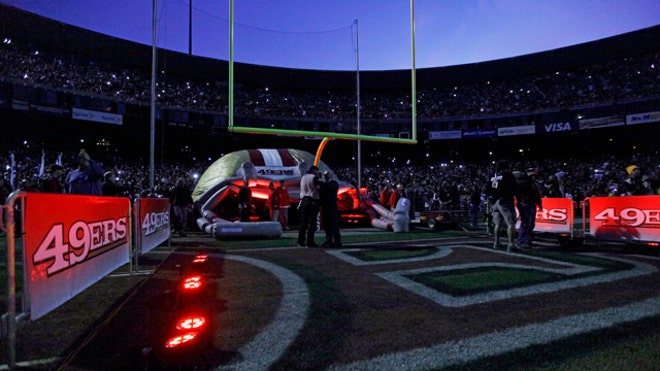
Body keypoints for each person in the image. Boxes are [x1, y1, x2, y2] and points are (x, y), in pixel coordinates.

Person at [486, 160, 518, 251]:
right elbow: (514, 188)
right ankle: (511, 244)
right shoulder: (508, 175)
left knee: (497, 223)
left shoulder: (493, 176)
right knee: (511, 223)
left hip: (495, 202)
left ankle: (496, 242)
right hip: (504, 201)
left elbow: (487, 189)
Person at [514, 170, 543, 249]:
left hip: (529, 204)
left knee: (530, 224)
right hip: (526, 204)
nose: (535, 177)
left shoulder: (530, 183)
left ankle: (527, 241)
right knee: (526, 224)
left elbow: (535, 194)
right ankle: (521, 241)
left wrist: (539, 203)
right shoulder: (523, 184)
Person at [297, 165, 321, 247]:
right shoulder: (314, 177)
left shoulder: (303, 177)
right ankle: (310, 241)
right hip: (312, 200)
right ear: (314, 171)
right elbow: (319, 187)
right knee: (312, 223)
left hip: (303, 200)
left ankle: (300, 241)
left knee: (303, 223)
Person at [319, 170, 342, 247]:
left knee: (333, 224)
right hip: (325, 206)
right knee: (326, 224)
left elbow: (329, 188)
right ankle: (329, 240)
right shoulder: (325, 184)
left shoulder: (333, 184)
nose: (326, 176)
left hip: (331, 206)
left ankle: (337, 241)